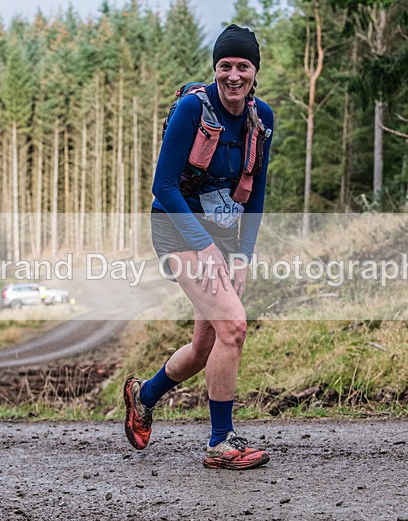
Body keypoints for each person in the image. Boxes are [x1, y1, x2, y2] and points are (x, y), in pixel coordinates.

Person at [123, 24, 274, 470]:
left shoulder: (261, 117)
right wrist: (204, 245)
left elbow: (257, 193)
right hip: (176, 230)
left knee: (207, 344)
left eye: (242, 66)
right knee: (234, 327)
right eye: (224, 66)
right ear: (215, 69)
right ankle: (220, 442)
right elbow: (164, 187)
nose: (233, 75)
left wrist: (242, 254)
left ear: (254, 72)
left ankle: (143, 395)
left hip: (224, 235)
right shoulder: (193, 109)